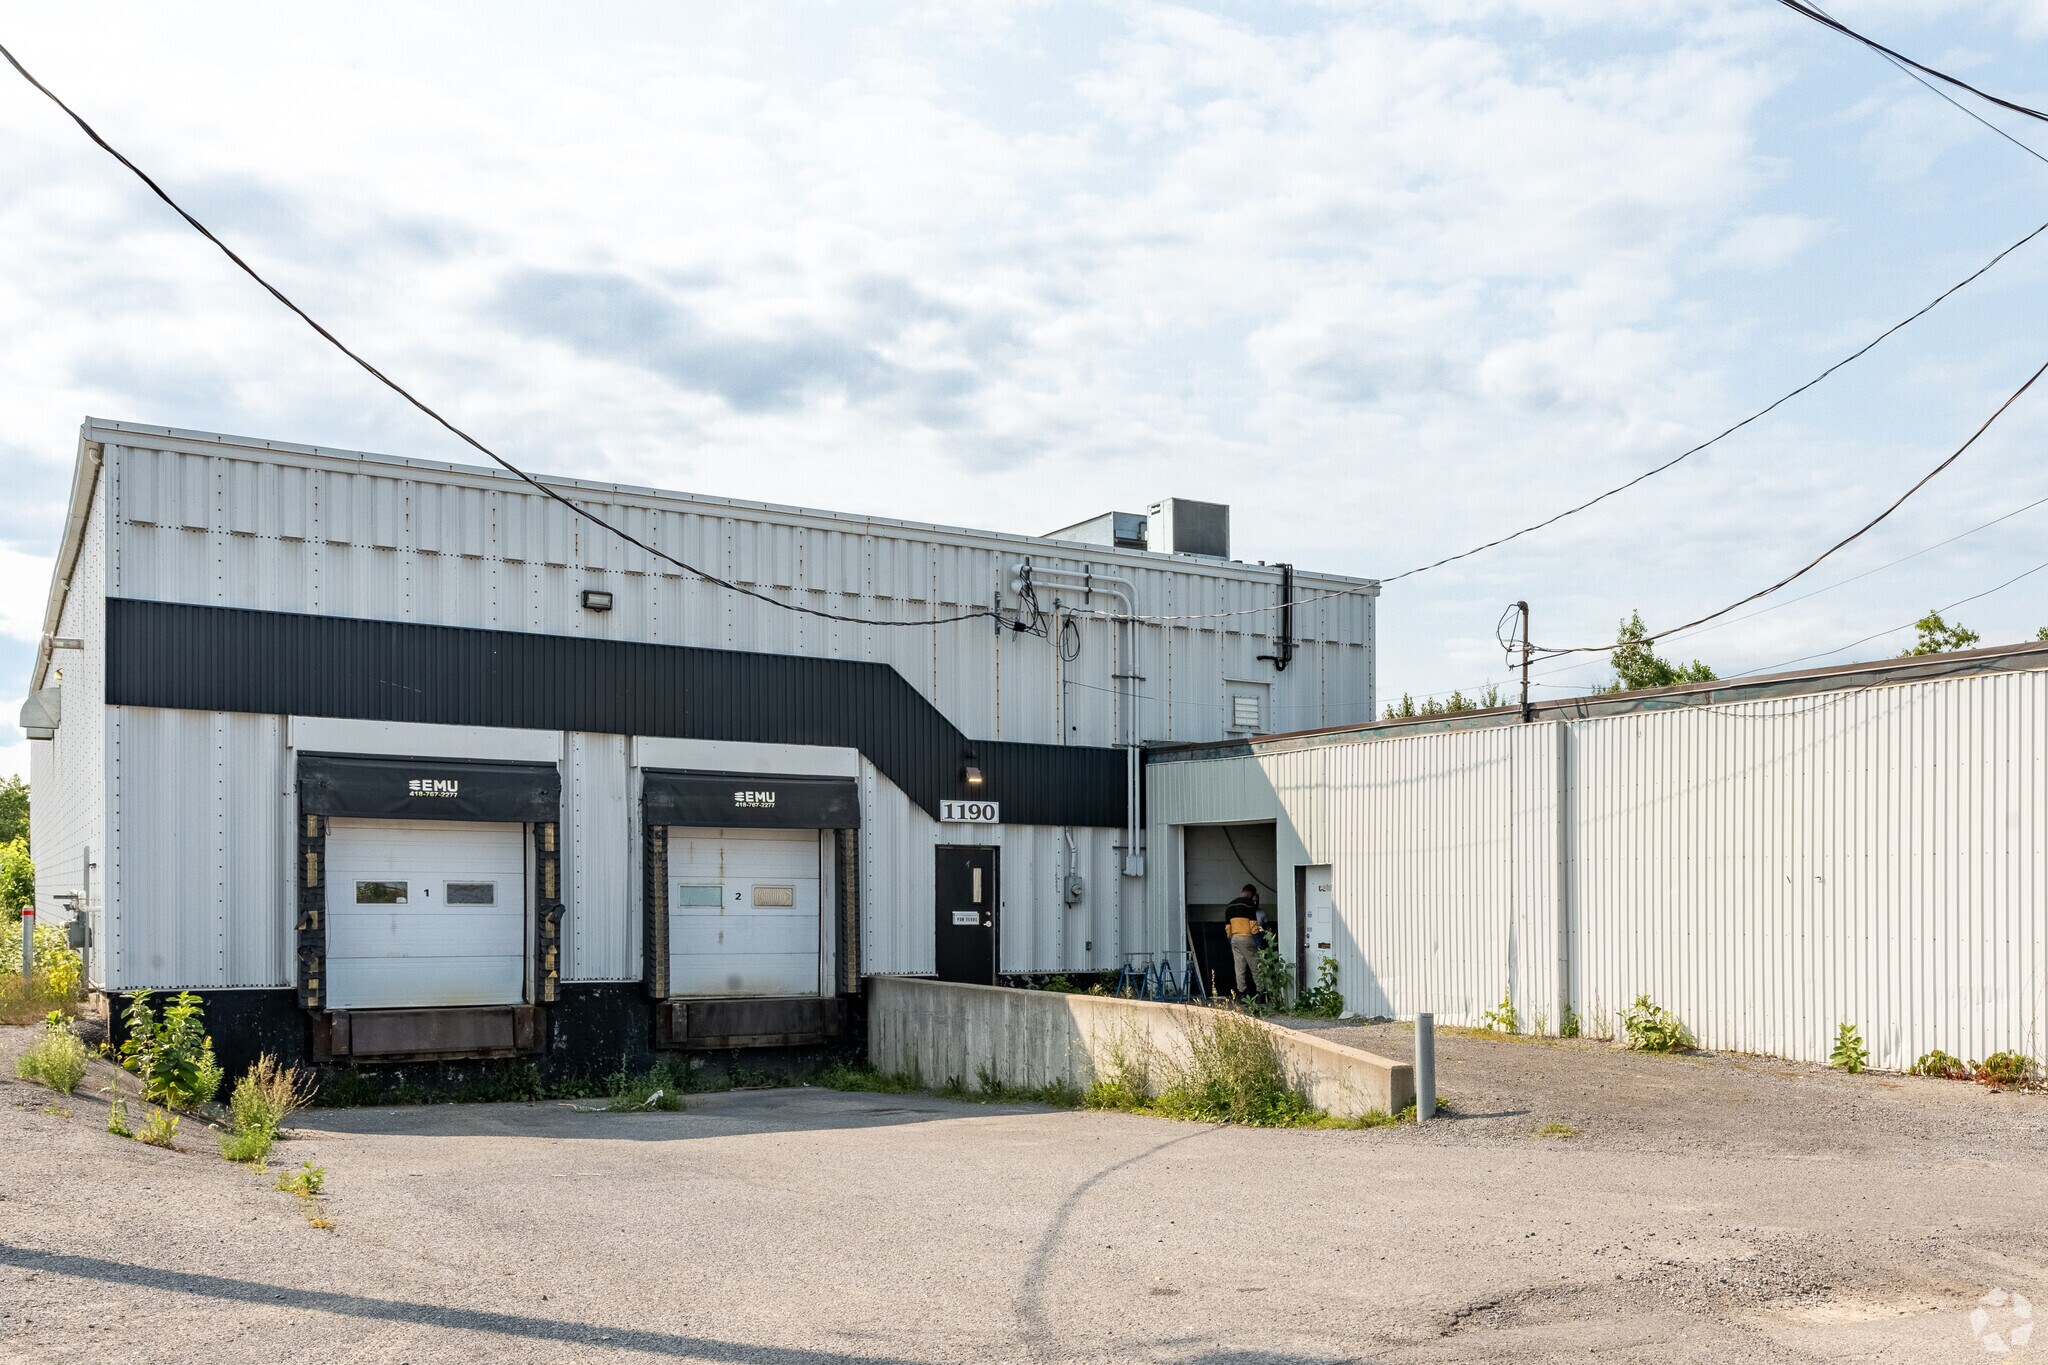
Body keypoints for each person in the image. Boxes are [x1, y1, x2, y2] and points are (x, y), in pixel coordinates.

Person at [1224, 884, 1265, 999]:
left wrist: (1231, 937)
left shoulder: (1229, 905)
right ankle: (1260, 992)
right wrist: (1257, 934)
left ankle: (1242, 993)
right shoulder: (1249, 904)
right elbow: (1253, 924)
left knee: (1239, 967)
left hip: (1234, 939)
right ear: (1251, 893)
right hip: (1247, 938)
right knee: (1255, 966)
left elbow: (1227, 927)